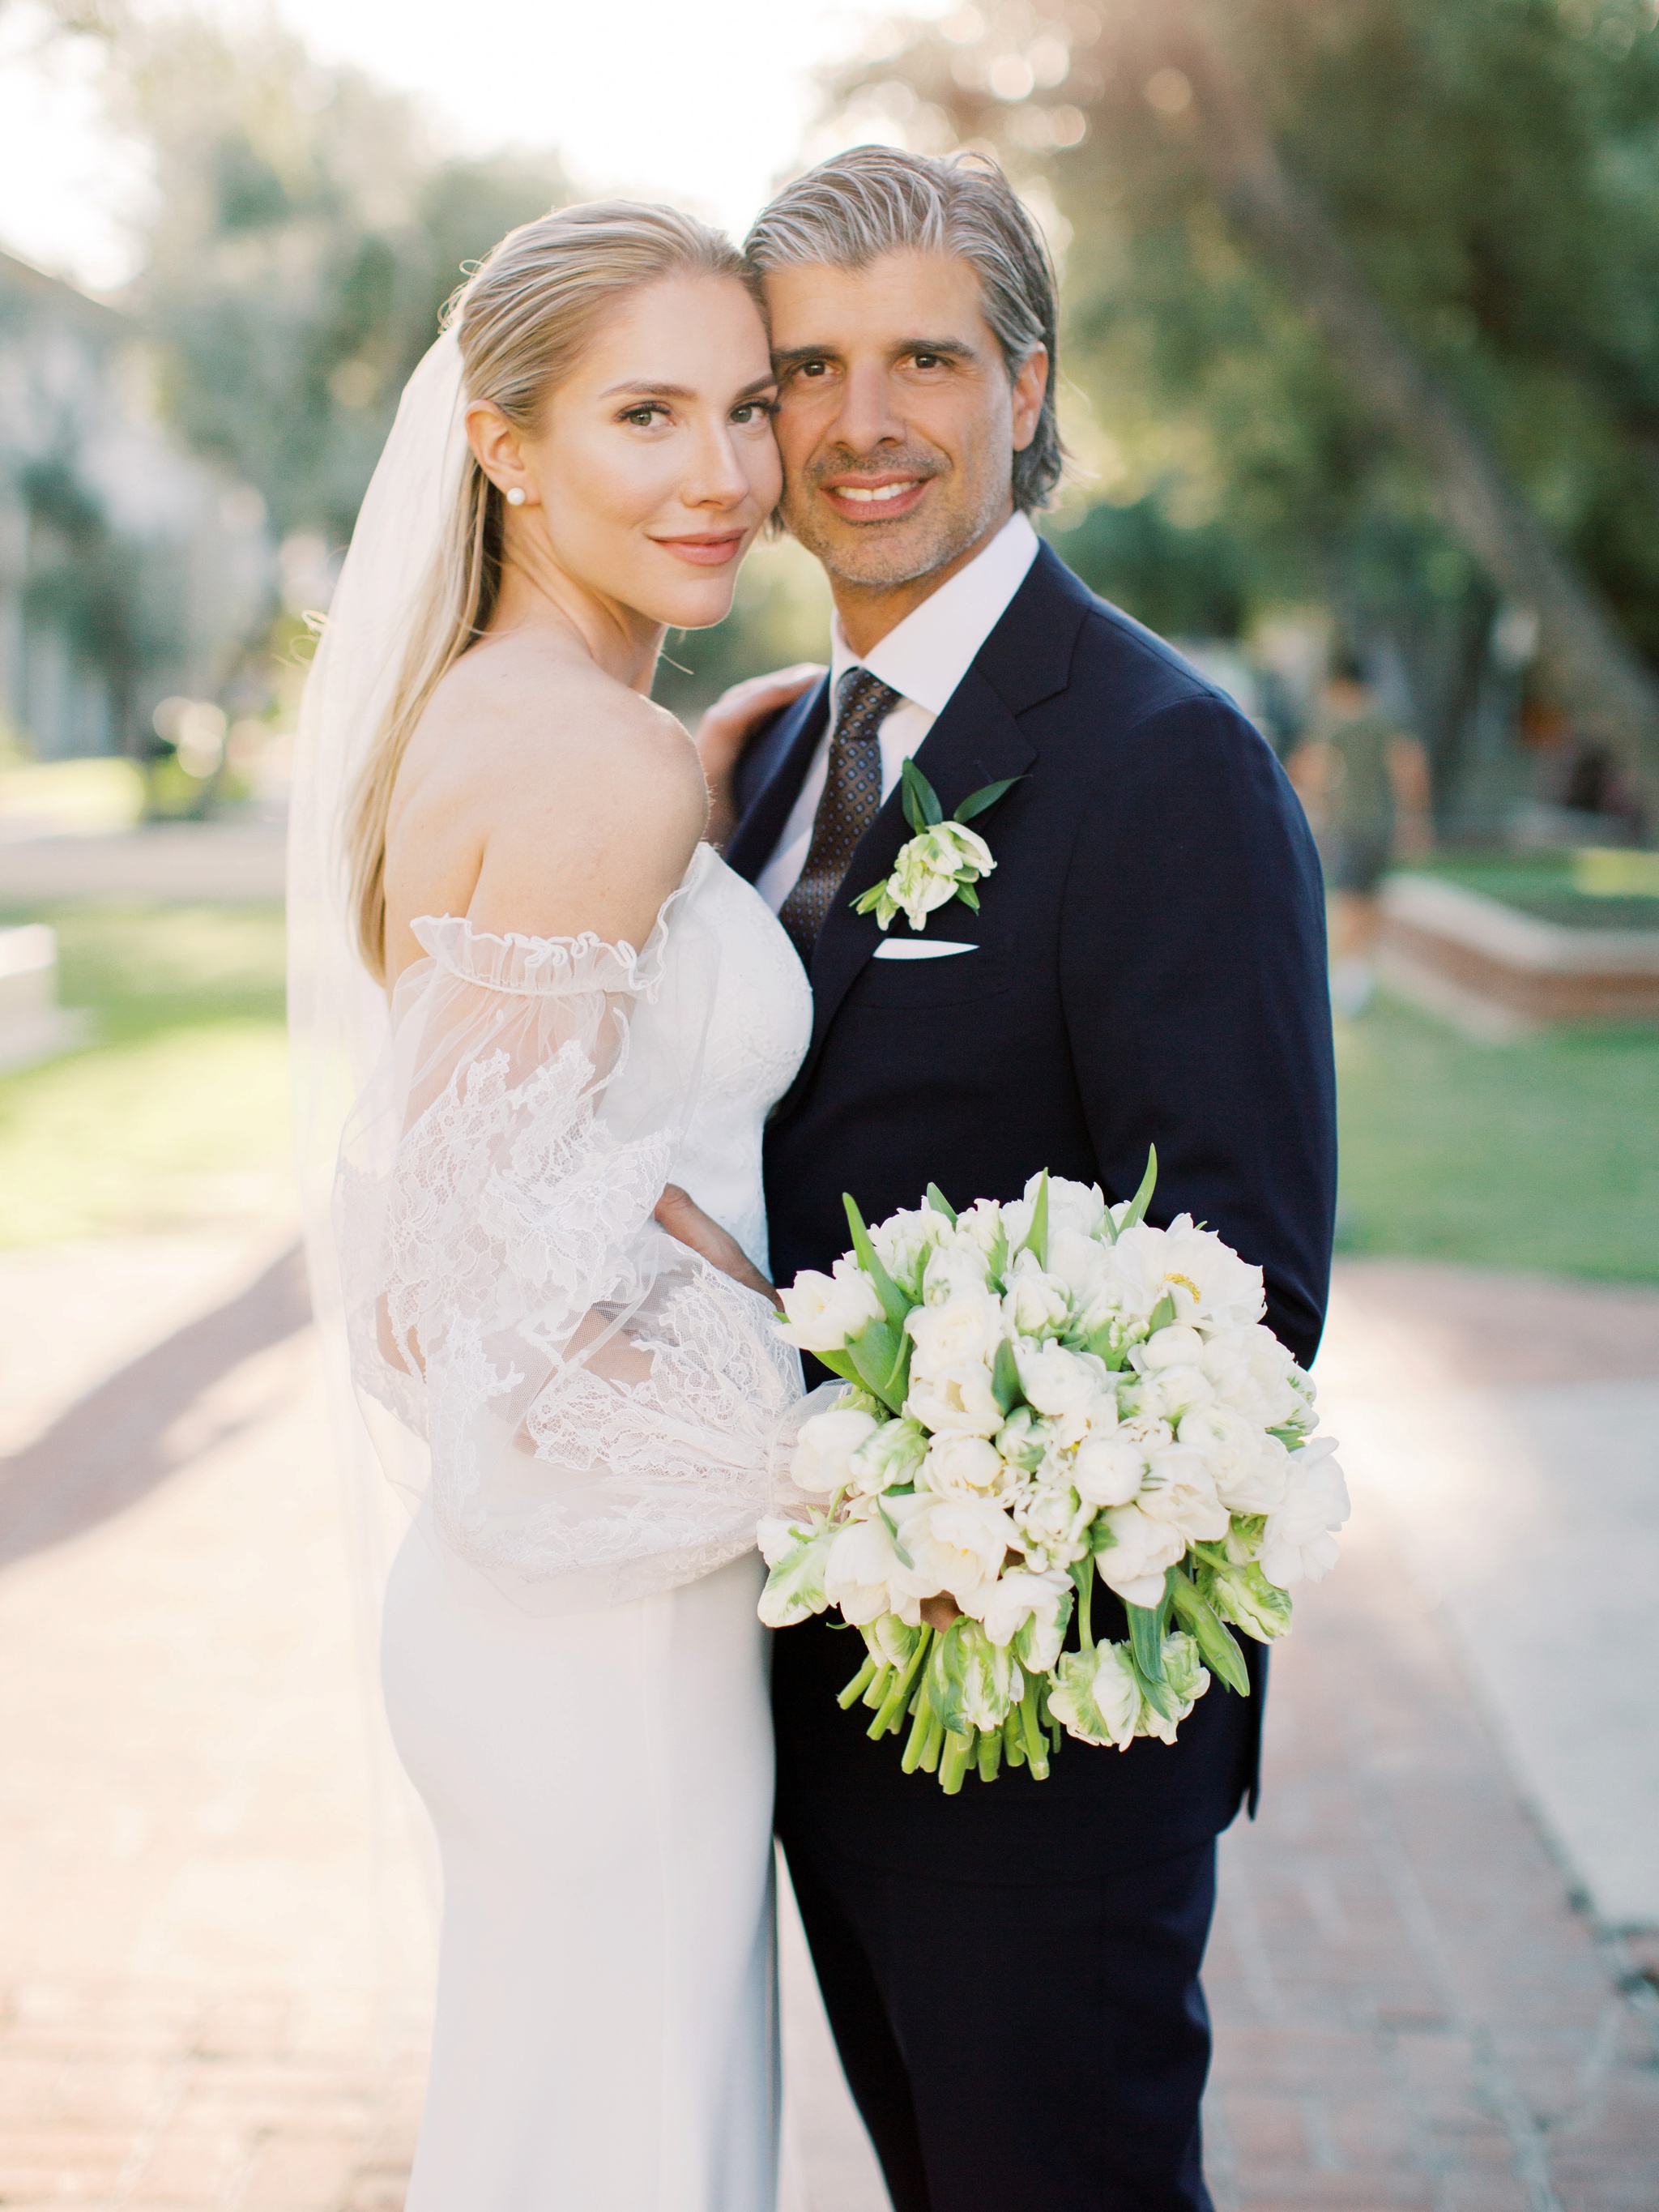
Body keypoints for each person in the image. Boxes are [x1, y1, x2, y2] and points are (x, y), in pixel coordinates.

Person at [698, 147, 1337, 2212]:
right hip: (819, 1708)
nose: (860, 422)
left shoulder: (1164, 760)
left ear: (1026, 386)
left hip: (1039, 1731)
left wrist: (959, 1538)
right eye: (808, 369)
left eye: (924, 360)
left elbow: (1241, 1289)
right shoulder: (775, 761)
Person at [291, 202, 815, 2210]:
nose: (723, 473)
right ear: (504, 445)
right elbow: (452, 1289)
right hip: (606, 1653)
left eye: (746, 409)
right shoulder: (602, 766)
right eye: (645, 415)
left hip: (544, 1621)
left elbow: (532, 1165)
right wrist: (846, 1456)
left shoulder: (502, 715)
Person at [1287, 653, 1431, 1017]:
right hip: (1381, 824)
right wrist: (1414, 820)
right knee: (1371, 899)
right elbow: (1410, 766)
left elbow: (1310, 765)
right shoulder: (1386, 719)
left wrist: (1316, 803)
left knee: (1349, 901)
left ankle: (1346, 979)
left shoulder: (1334, 721)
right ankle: (1359, 974)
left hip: (1349, 825)